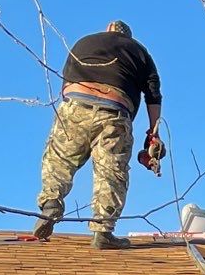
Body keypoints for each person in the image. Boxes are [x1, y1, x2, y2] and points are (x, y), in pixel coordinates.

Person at [35, 21, 163, 249]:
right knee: (110, 173)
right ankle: (103, 232)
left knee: (59, 159)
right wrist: (154, 133)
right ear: (128, 37)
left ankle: (51, 201)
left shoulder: (84, 42)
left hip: (75, 105)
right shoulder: (139, 51)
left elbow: (65, 80)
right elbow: (153, 94)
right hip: (114, 111)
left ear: (107, 31)